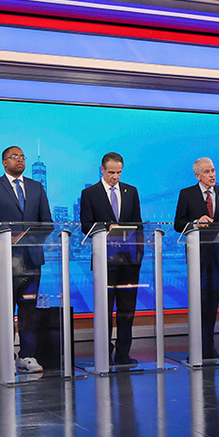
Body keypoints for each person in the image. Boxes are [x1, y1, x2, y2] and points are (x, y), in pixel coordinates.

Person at [0, 145, 53, 374]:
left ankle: (27, 356)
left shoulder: (36, 187)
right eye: (14, 157)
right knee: (5, 308)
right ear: (4, 162)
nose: (20, 160)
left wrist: (27, 236)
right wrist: (7, 237)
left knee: (28, 308)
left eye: (22, 157)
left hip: (32, 258)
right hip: (5, 257)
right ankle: (6, 356)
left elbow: (47, 223)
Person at [80, 152, 144, 367]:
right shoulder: (89, 193)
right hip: (104, 260)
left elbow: (138, 224)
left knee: (127, 310)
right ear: (102, 170)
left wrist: (139, 254)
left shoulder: (131, 191)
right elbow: (85, 226)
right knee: (105, 310)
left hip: (129, 262)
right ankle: (104, 352)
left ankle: (124, 353)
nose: (115, 177)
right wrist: (108, 229)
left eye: (118, 172)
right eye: (111, 173)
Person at [173, 157, 219, 359]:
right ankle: (197, 347)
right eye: (207, 172)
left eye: (214, 170)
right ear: (198, 175)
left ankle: (209, 347)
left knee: (213, 301)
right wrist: (195, 222)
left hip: (218, 254)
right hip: (197, 253)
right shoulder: (187, 194)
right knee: (199, 301)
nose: (212, 175)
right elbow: (178, 223)